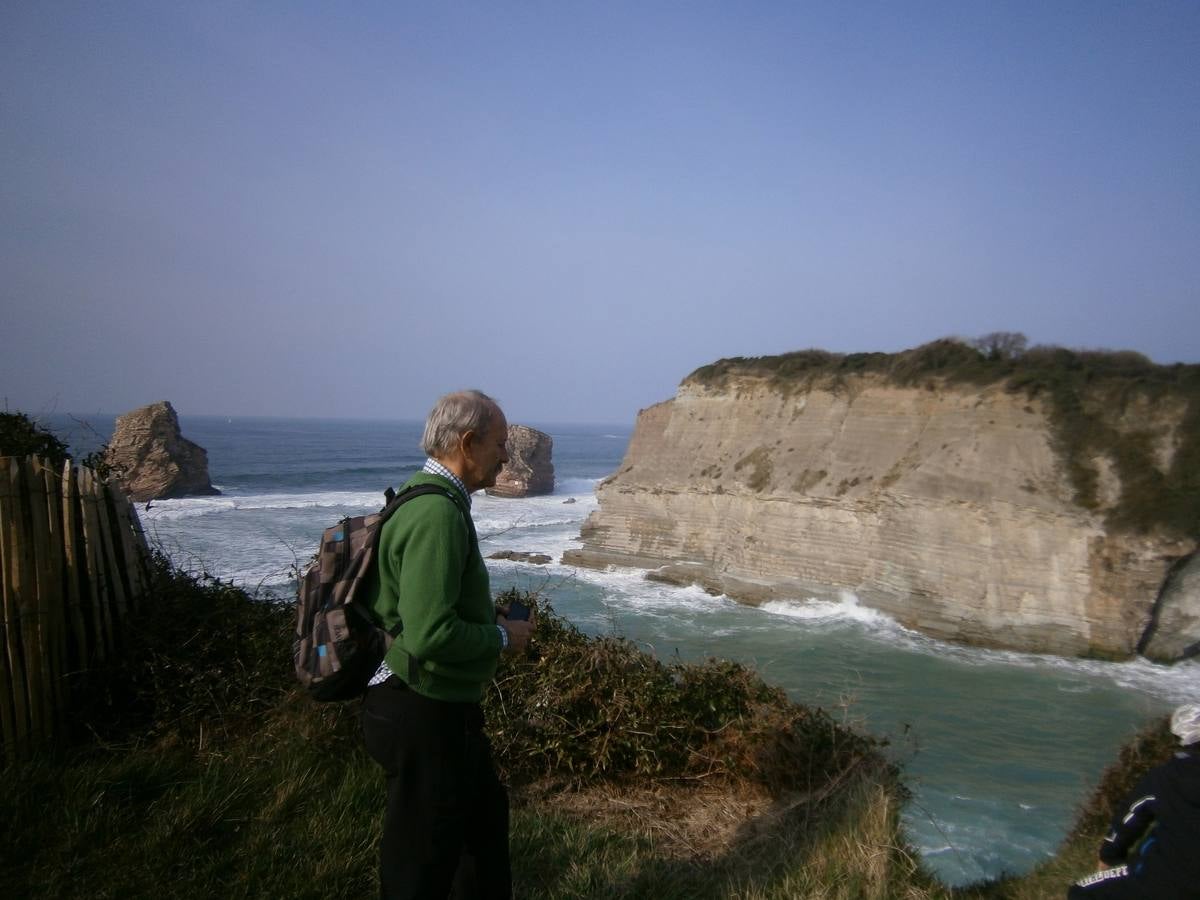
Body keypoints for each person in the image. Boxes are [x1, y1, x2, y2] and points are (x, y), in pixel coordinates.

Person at [360, 390, 535, 900]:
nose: (506, 455)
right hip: (423, 707)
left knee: (478, 840)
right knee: (421, 863)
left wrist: (487, 616)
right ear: (467, 442)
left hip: (440, 708)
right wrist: (503, 635)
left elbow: (427, 607)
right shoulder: (437, 515)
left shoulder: (427, 496)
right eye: (500, 444)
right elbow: (431, 632)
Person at [1068, 703, 1200, 900]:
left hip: (1163, 881)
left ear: (1177, 739)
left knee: (1082, 890)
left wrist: (1109, 856)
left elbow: (1128, 821)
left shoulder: (1163, 777)